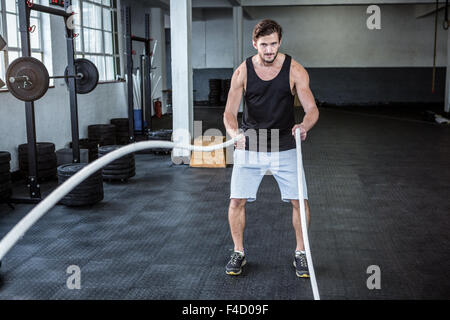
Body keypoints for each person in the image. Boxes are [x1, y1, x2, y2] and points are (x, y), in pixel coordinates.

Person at [223, 19, 319, 278]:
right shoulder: (242, 71)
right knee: (236, 201)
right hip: (250, 146)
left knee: (300, 202)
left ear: (279, 42)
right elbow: (229, 113)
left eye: (273, 44)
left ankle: (301, 252)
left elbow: (312, 109)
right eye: (263, 45)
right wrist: (234, 134)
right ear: (254, 44)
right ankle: (238, 252)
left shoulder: (295, 70)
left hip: (285, 146)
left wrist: (304, 125)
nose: (269, 50)